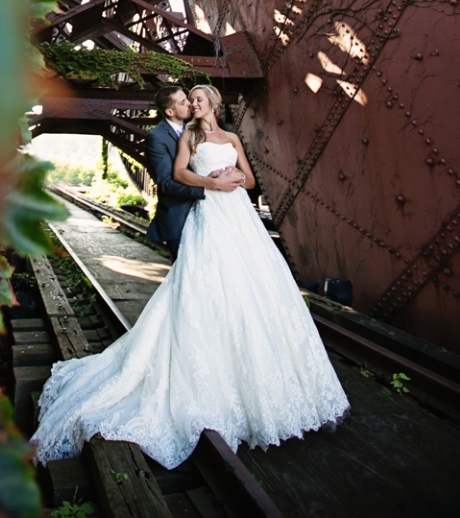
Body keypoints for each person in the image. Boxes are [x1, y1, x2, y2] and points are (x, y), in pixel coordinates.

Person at [32, 83, 349, 469]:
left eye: (196, 99)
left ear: (212, 103)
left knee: (254, 287)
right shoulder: (188, 138)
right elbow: (178, 174)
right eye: (187, 100)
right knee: (204, 286)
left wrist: (234, 174)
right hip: (209, 214)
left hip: (240, 217)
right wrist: (213, 182)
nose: (192, 104)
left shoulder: (232, 137)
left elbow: (251, 182)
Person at [145, 83, 244, 261]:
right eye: (183, 102)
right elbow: (166, 183)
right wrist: (209, 186)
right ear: (170, 112)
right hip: (180, 216)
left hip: (213, 212)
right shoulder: (156, 138)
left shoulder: (196, 131)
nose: (190, 104)